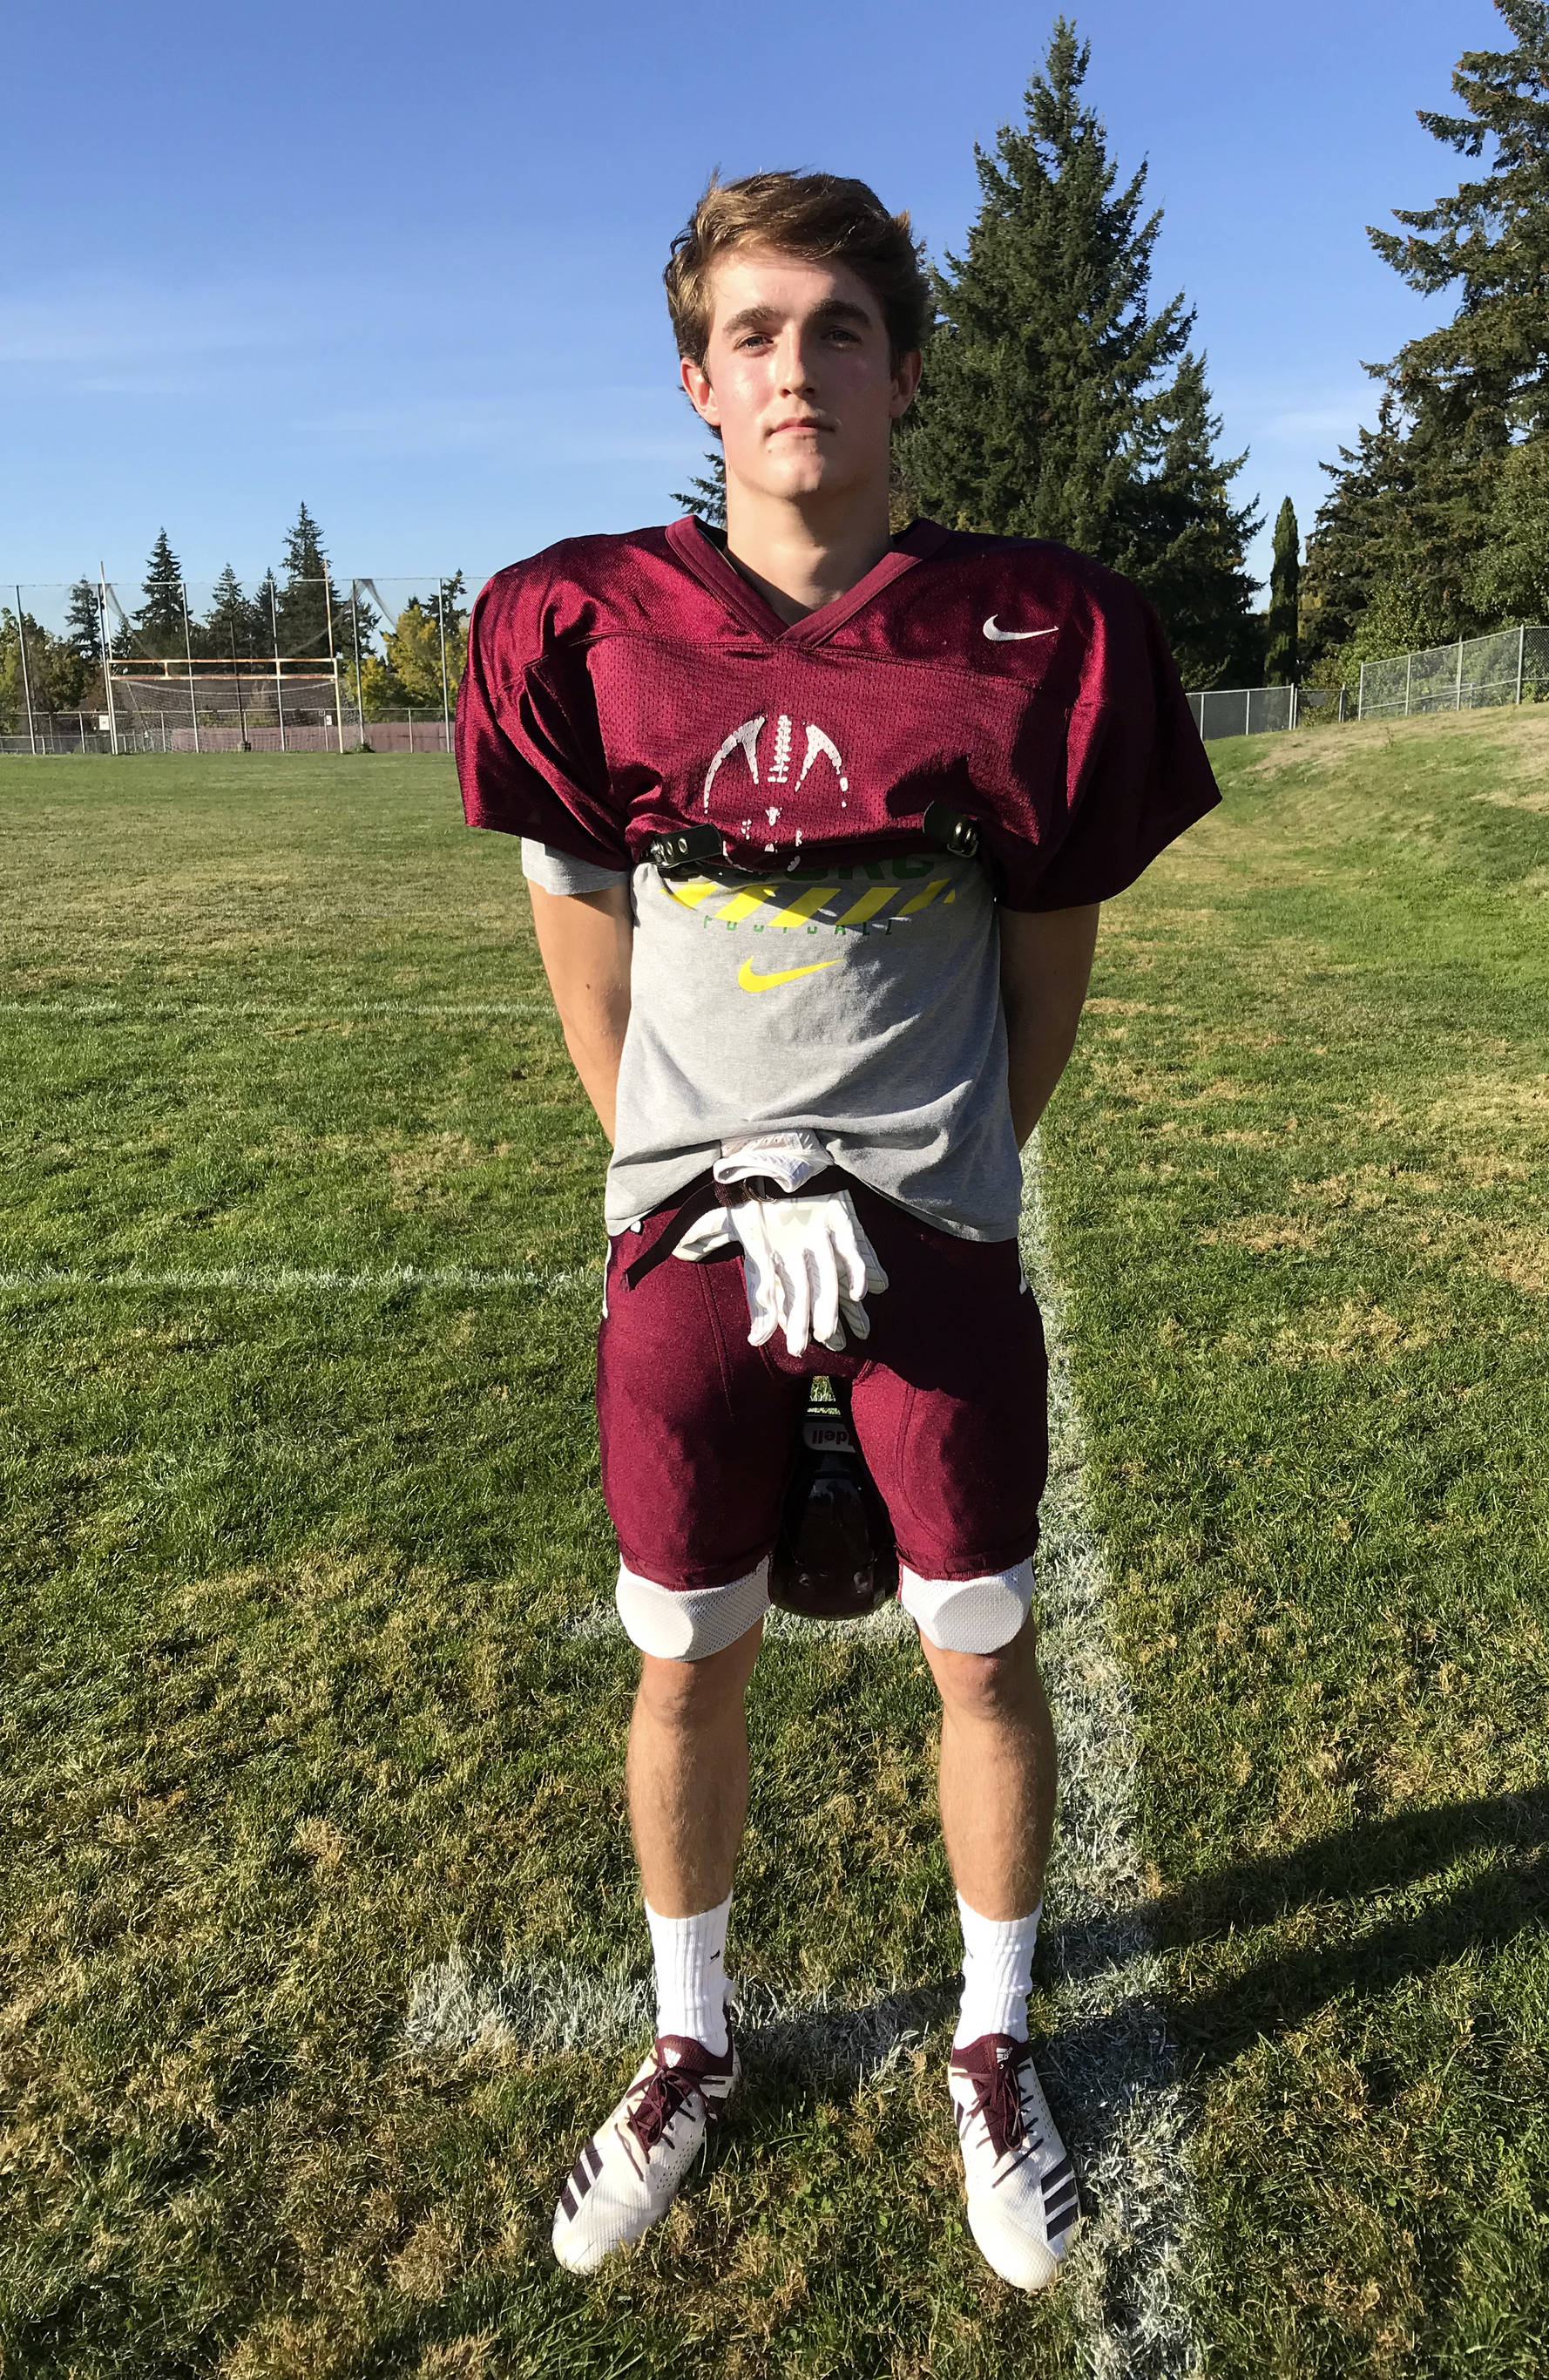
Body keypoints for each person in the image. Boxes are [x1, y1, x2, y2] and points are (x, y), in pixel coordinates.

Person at [454, 168, 1218, 2294]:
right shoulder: (575, 623)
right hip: (691, 1239)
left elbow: (1044, 971)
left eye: (841, 329)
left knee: (981, 1643)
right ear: (697, 376)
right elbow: (577, 937)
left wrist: (921, 1187)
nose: (799, 366)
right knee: (683, 1647)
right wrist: (692, 1179)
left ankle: (988, 2038)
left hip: (930, 1235)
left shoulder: (1035, 631)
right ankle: (688, 2032)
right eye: (757, 331)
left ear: (903, 368)